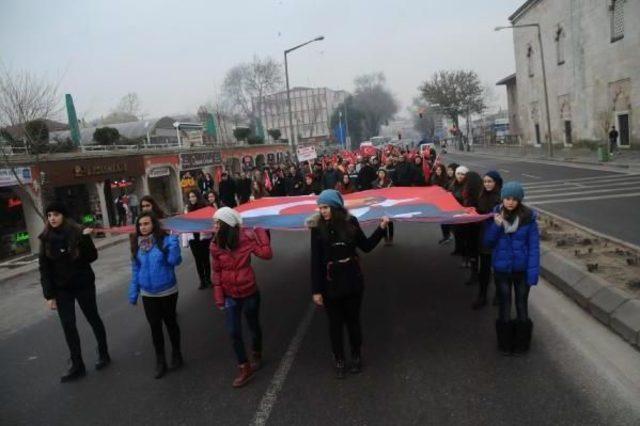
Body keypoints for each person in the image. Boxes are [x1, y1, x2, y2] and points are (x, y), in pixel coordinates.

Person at [308, 190, 389, 378]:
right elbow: (315, 261)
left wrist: (381, 228)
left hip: (352, 279)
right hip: (330, 283)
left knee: (353, 321)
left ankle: (356, 355)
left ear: (335, 207)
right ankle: (339, 359)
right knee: (334, 324)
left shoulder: (351, 223)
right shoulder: (316, 228)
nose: (322, 211)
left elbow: (366, 246)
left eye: (326, 207)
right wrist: (316, 290)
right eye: (320, 208)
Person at [39, 201, 110, 382]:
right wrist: (49, 295)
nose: (52, 218)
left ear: (63, 216)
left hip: (82, 284)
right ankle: (77, 364)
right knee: (68, 326)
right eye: (49, 215)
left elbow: (92, 257)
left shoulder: (77, 232)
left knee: (92, 317)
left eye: (56, 214)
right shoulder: (45, 238)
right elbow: (44, 268)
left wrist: (85, 239)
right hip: (62, 289)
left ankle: (103, 353)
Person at [210, 207, 273, 388]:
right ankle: (244, 368)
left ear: (227, 225)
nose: (213, 226)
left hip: (249, 292)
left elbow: (267, 254)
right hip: (230, 295)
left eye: (217, 223)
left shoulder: (245, 239)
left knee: (253, 326)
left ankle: (256, 353)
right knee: (233, 332)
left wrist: (260, 231)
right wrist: (219, 295)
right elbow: (217, 271)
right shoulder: (215, 245)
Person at [484, 182, 539, 356]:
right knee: (505, 305)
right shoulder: (495, 215)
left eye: (515, 199)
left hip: (521, 271)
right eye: (507, 198)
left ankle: (522, 343)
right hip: (502, 271)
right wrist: (496, 226)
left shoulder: (528, 218)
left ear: (519, 200)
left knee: (522, 305)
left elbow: (534, 248)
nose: (510, 202)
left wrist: (533, 274)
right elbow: (487, 243)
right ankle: (505, 343)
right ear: (503, 198)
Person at [128, 212, 183, 378]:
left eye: (146, 223)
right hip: (148, 293)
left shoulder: (165, 240)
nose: (143, 227)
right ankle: (160, 360)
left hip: (167, 290)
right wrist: (133, 291)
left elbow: (175, 261)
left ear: (154, 225)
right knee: (154, 327)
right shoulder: (136, 244)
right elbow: (136, 269)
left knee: (171, 323)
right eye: (140, 224)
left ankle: (176, 353)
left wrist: (173, 244)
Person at [473, 171, 503, 309]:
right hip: (483, 237)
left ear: (496, 182)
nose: (487, 184)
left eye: (490, 181)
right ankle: (482, 295)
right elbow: (478, 211)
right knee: (484, 269)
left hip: (497, 238)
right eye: (485, 181)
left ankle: (498, 293)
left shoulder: (502, 198)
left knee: (497, 269)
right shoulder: (481, 195)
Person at [458, 171, 483, 284]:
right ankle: (474, 272)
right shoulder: (469, 194)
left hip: (475, 229)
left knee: (475, 251)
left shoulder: (477, 198)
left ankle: (476, 273)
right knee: (472, 250)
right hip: (469, 228)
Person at [186, 191, 213, 289]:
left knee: (205, 258)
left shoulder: (204, 207)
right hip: (193, 238)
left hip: (204, 237)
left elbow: (209, 221)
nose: (191, 198)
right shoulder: (187, 209)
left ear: (197, 197)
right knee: (198, 260)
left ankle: (208, 279)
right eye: (190, 197)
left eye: (193, 196)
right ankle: (202, 281)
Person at [448, 165, 467, 256]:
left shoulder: (467, 186)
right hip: (454, 212)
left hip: (464, 212)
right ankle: (457, 248)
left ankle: (464, 251)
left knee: (463, 233)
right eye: (458, 173)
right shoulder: (453, 184)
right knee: (455, 232)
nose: (460, 176)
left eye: (462, 174)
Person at [372, 169, 395, 245]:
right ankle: (385, 238)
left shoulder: (389, 182)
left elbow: (394, 191)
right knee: (383, 221)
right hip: (380, 204)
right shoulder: (375, 183)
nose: (381, 174)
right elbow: (373, 193)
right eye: (380, 173)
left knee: (390, 221)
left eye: (382, 173)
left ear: (385, 174)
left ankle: (391, 238)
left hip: (388, 203)